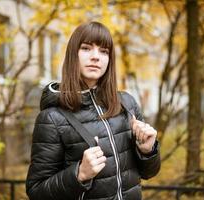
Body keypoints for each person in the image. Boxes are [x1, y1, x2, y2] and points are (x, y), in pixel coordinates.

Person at [26, 21, 160, 200]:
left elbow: (148, 173)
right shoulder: (52, 118)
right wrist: (79, 175)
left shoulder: (127, 104)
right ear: (73, 54)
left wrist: (147, 150)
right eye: (87, 48)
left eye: (104, 51)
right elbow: (37, 191)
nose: (96, 57)